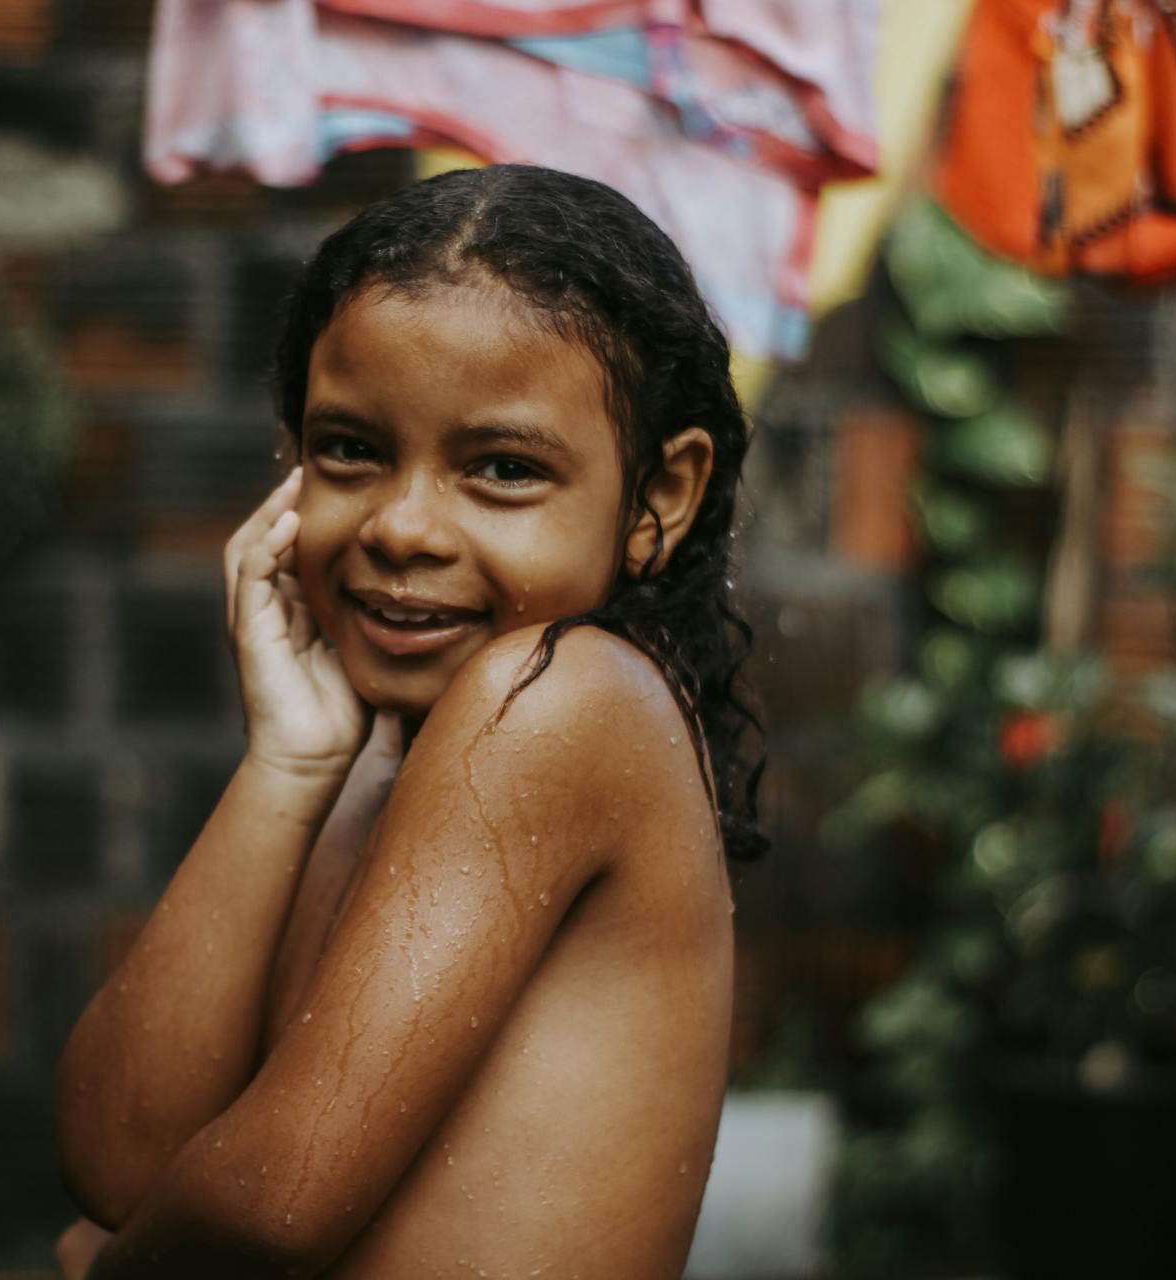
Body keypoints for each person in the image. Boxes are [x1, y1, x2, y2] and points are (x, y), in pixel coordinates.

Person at [55, 163, 765, 1280]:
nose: (401, 526)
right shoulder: (374, 759)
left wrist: (108, 1271)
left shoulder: (560, 697)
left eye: (502, 468)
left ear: (659, 498)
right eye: (350, 448)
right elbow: (115, 1155)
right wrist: (288, 763)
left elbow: (269, 1207)